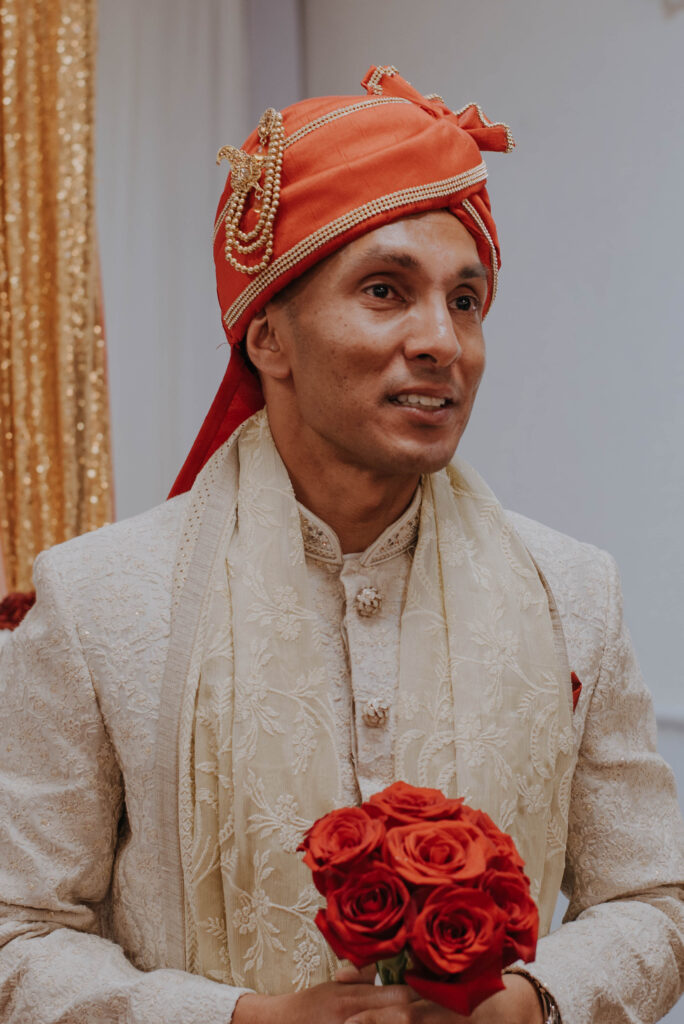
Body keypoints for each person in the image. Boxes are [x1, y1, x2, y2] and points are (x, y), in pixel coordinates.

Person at [0, 65, 682, 1024]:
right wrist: (244, 1019)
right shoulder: (99, 602)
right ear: (268, 337)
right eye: (385, 291)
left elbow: (655, 899)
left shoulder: (571, 591)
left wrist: (535, 1002)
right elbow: (18, 935)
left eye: (467, 300)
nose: (441, 340)